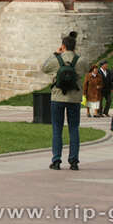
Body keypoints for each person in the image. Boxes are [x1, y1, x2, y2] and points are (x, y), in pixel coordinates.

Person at [41, 32, 89, 170]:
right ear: (75, 46)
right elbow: (87, 68)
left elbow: (44, 68)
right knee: (74, 129)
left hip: (58, 97)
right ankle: (74, 161)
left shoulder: (56, 60)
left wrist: (55, 53)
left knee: (57, 129)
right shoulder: (80, 60)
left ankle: (56, 160)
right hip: (74, 98)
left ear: (62, 46)